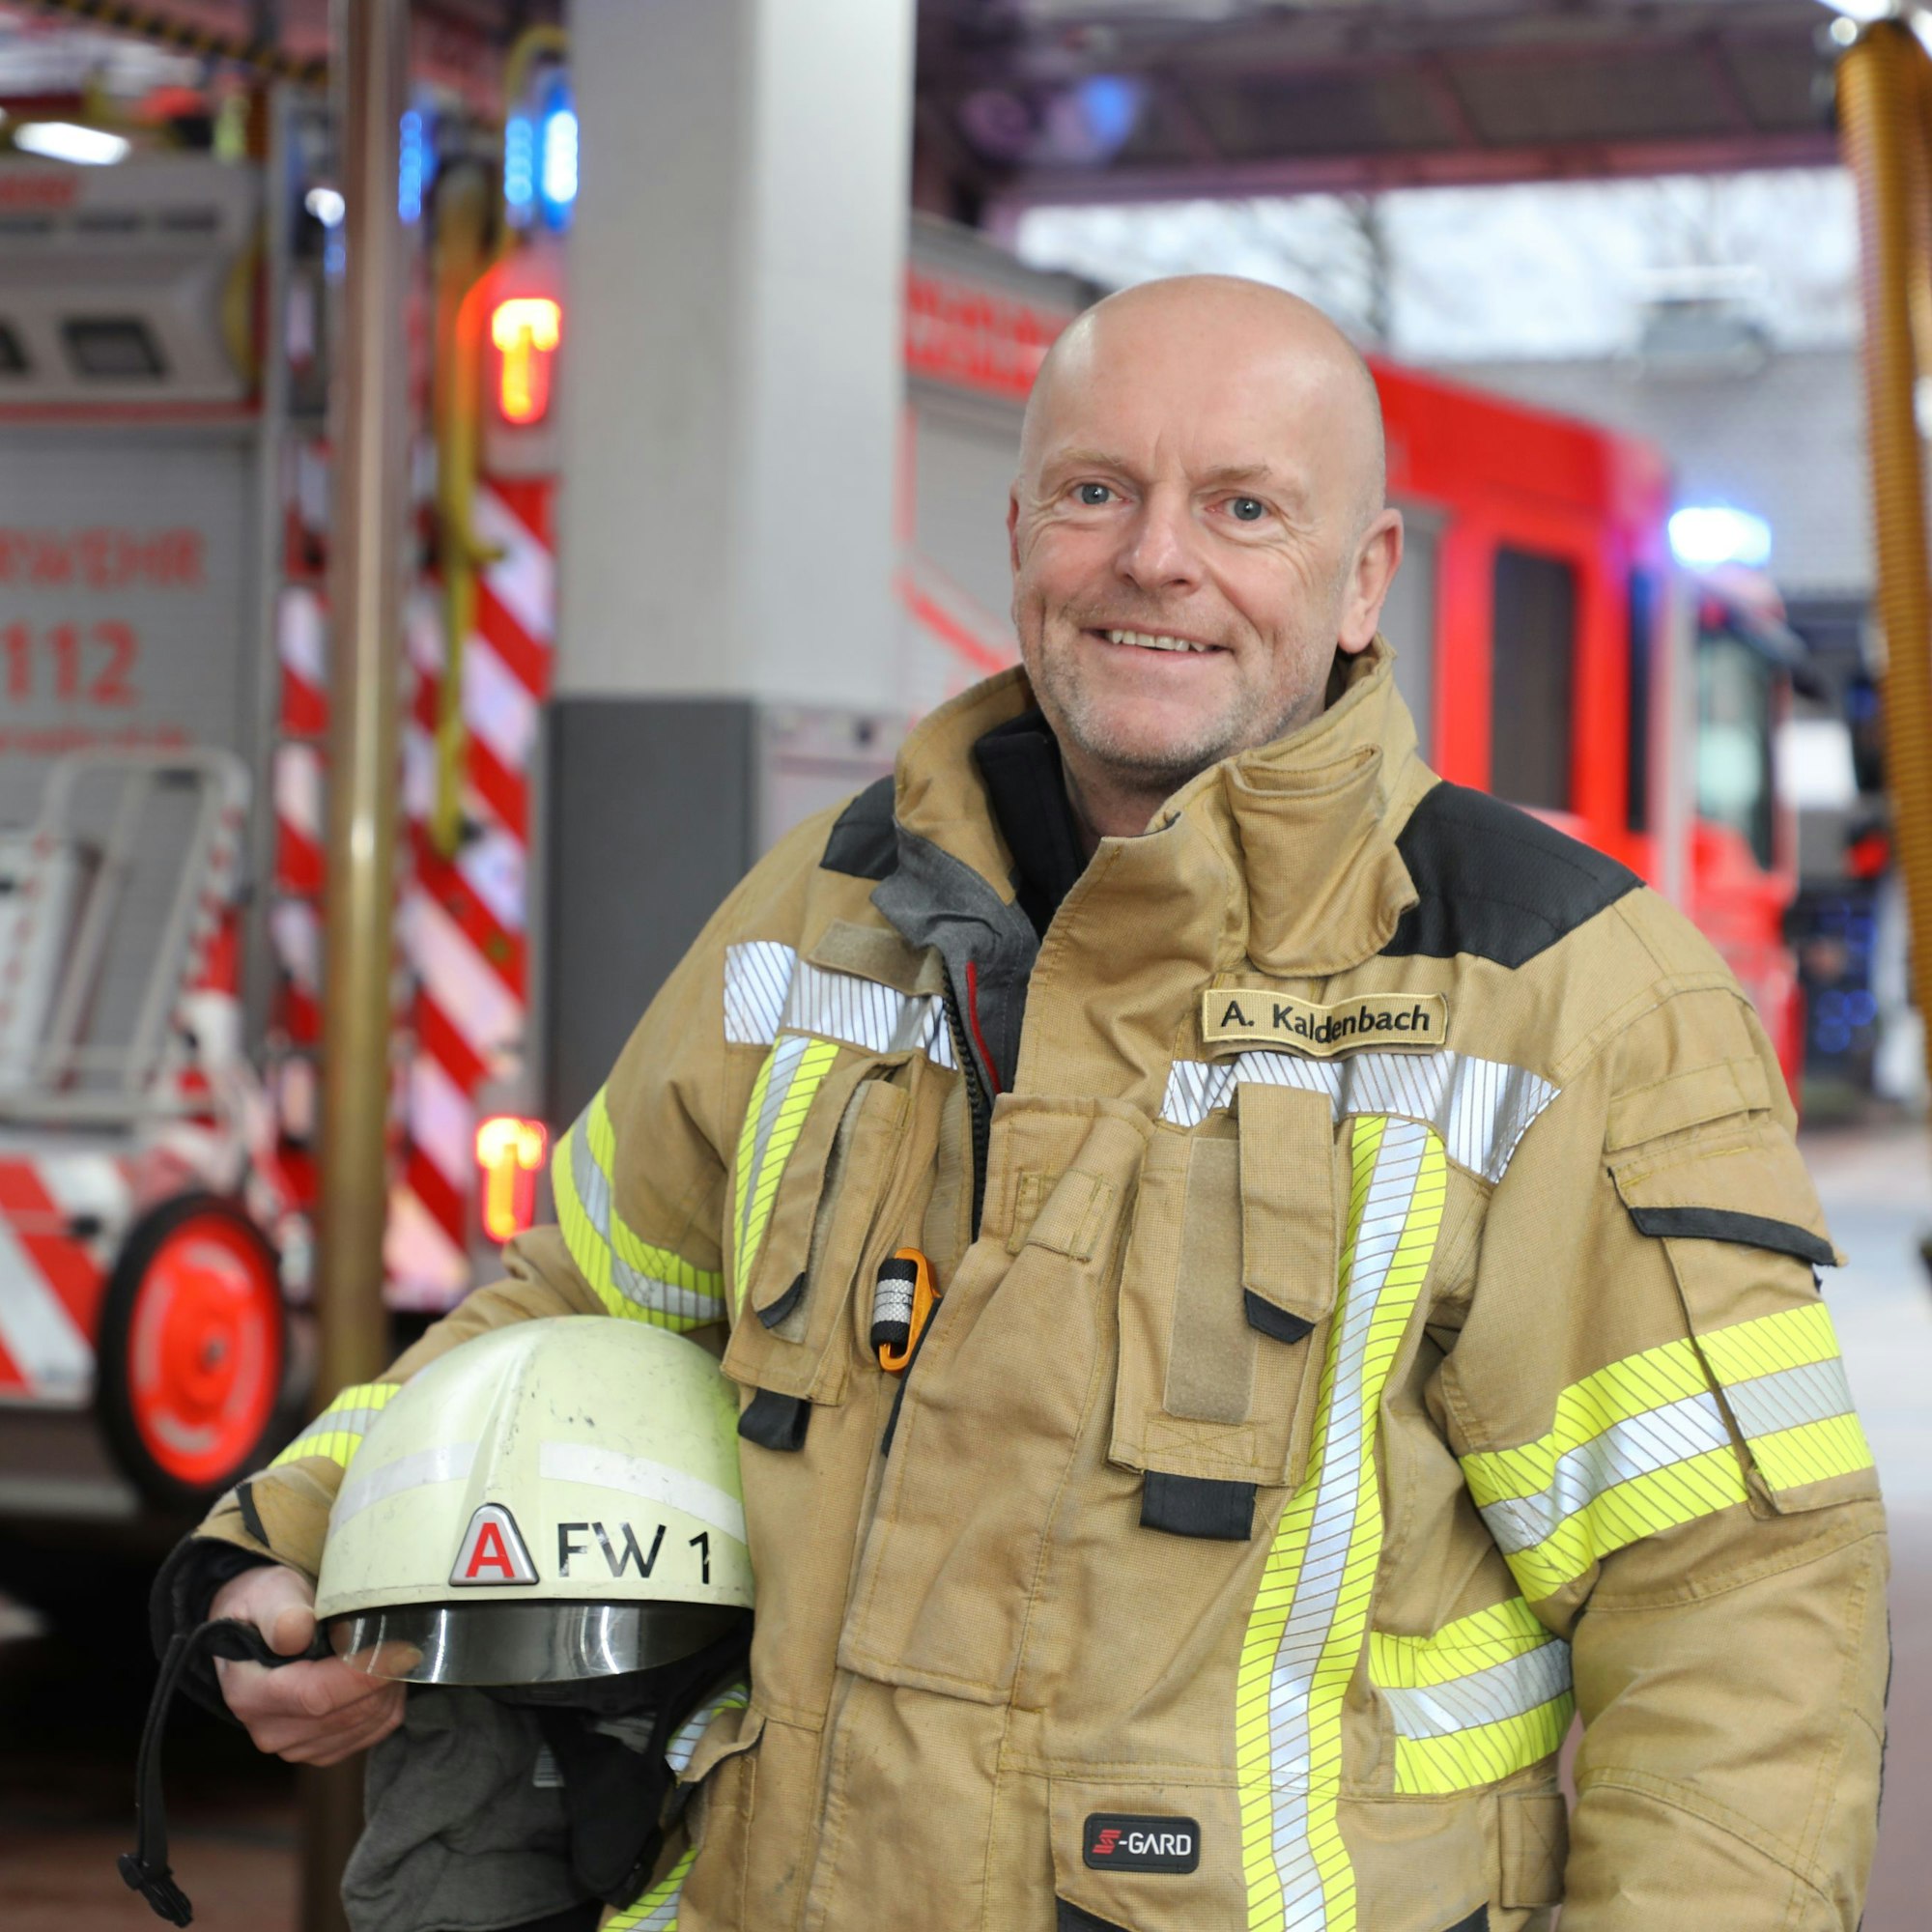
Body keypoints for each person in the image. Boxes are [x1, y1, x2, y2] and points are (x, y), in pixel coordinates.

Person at [156, 276, 1888, 1931]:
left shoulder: (1560, 998)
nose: (1155, 558)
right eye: (1096, 490)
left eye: (1244, 509)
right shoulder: (827, 908)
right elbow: (580, 1311)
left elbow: (1737, 1616)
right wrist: (278, 1550)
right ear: (1017, 539)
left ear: (1366, 581)